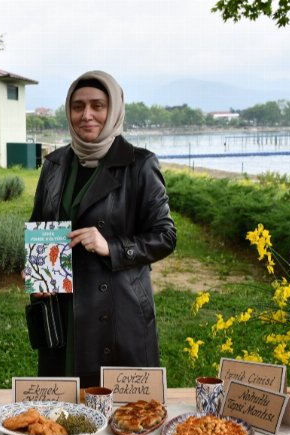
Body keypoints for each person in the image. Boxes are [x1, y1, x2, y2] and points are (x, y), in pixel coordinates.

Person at [28, 70, 176, 388]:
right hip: (61, 309)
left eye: (98, 105)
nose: (87, 115)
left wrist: (112, 246)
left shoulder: (139, 164)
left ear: (114, 110)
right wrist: (37, 275)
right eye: (78, 106)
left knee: (118, 415)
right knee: (62, 410)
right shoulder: (54, 165)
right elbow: (38, 223)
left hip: (116, 313)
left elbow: (165, 235)